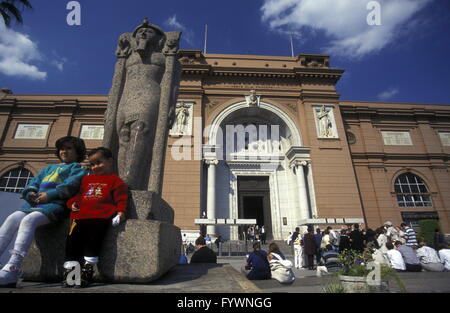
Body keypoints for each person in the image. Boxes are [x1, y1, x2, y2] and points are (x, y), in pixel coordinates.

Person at [0, 136, 86, 288]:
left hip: (55, 206)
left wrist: (49, 195)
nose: (64, 151)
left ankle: (13, 266)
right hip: (34, 205)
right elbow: (33, 183)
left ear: (78, 152)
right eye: (61, 148)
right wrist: (31, 193)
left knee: (29, 220)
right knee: (12, 218)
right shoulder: (48, 168)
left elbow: (70, 186)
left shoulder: (78, 169)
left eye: (69, 148)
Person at [63, 147, 128, 288]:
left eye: (99, 162)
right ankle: (70, 274)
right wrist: (72, 203)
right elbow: (80, 195)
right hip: (79, 217)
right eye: (92, 164)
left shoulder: (115, 180)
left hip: (100, 216)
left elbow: (121, 197)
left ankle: (87, 271)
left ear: (110, 161)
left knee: (94, 241)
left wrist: (121, 212)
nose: (95, 167)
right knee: (72, 242)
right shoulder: (86, 179)